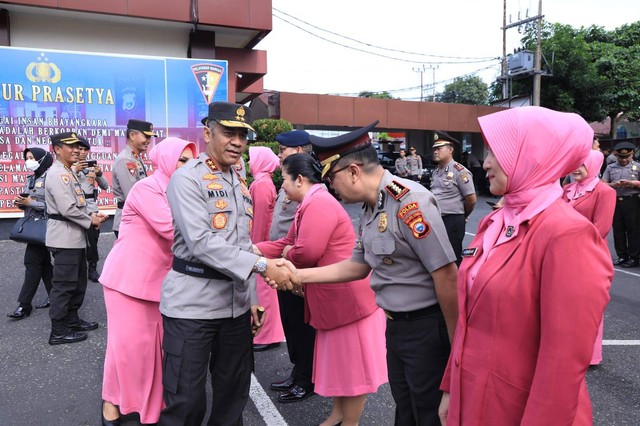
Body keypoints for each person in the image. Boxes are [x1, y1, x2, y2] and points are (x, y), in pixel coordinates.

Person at [269, 121, 459, 425]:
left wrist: (456, 350)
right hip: (396, 327)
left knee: (428, 412)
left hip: (425, 329)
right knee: (405, 409)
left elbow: (447, 275)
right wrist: (297, 276)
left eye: (333, 177)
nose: (331, 185)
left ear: (354, 171)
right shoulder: (372, 207)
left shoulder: (410, 202)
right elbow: (357, 266)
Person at [438, 106, 613, 425]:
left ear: (534, 154)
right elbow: (468, 321)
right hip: (473, 397)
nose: (486, 162)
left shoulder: (568, 234)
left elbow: (562, 365)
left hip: (519, 410)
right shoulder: (495, 220)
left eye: (497, 151)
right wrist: (451, 387)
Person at [158, 102, 291, 426]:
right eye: (228, 132)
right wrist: (262, 267)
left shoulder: (238, 180)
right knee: (185, 402)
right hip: (192, 307)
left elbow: (242, 242)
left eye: (242, 135)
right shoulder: (187, 179)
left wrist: (253, 300)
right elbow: (201, 242)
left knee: (233, 399)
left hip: (234, 308)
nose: (237, 141)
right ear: (208, 133)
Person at [255, 153, 388, 426]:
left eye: (285, 180)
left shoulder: (318, 203)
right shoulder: (309, 202)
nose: (281, 187)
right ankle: (338, 416)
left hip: (348, 303)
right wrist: (254, 251)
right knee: (342, 370)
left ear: (300, 180)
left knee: (352, 372)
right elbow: (288, 243)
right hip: (334, 303)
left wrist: (287, 252)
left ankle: (348, 422)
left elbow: (305, 252)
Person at [100, 137, 196, 426]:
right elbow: (174, 230)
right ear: (167, 159)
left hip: (160, 286)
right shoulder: (147, 188)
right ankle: (111, 402)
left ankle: (149, 408)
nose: (188, 167)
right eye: (182, 160)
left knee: (154, 352)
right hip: (126, 284)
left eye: (193, 161)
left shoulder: (186, 191)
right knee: (125, 349)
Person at [268, 129, 318, 402]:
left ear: (298, 150)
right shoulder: (288, 184)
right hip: (282, 265)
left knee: (302, 326)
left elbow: (305, 242)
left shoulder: (309, 190)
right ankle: (298, 370)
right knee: (291, 323)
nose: (279, 154)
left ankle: (307, 377)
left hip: (296, 269)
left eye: (283, 150)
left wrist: (286, 252)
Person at [45, 132, 107, 345]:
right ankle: (59, 331)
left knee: (78, 282)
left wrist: (91, 215)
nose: (75, 150)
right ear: (57, 149)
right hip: (65, 237)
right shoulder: (59, 174)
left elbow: (77, 204)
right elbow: (68, 208)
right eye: (69, 146)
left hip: (74, 236)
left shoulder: (67, 172)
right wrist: (92, 221)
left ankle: (72, 320)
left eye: (77, 147)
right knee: (64, 285)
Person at [563, 149, 616, 366]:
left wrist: (566, 237)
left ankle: (590, 355)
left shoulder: (604, 192)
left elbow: (600, 229)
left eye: (582, 164)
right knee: (564, 304)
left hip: (589, 256)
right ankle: (567, 349)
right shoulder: (566, 190)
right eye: (575, 163)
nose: (576, 168)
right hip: (564, 254)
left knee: (588, 306)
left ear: (593, 165)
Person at [8, 148, 54, 319]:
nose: (28, 161)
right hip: (33, 228)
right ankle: (55, 297)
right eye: (26, 158)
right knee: (44, 265)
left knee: (31, 262)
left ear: (42, 159)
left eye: (32, 157)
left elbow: (56, 206)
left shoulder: (51, 178)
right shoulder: (30, 179)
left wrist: (32, 203)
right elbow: (28, 201)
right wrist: (22, 203)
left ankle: (24, 305)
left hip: (47, 226)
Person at [248, 146, 285, 351]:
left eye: (253, 158)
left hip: (260, 244)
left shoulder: (261, 184)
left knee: (263, 291)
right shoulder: (264, 181)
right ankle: (268, 334)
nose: (250, 162)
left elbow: (260, 220)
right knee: (265, 291)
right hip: (264, 243)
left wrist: (255, 246)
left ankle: (266, 335)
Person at [430, 132, 477, 265]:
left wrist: (462, 215)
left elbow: (471, 199)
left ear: (450, 150)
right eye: (434, 148)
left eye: (439, 148)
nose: (435, 151)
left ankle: (457, 285)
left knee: (452, 258)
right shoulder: (436, 171)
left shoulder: (460, 171)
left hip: (452, 220)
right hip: (436, 219)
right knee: (438, 257)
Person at [112, 119, 156, 237]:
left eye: (150, 137)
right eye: (146, 136)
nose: (148, 141)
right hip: (129, 221)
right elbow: (133, 196)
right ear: (132, 135)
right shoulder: (125, 160)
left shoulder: (135, 158)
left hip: (136, 219)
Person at [73, 137, 109, 282]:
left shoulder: (91, 168)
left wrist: (99, 174)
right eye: (79, 149)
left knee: (93, 240)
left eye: (85, 150)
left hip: (91, 208)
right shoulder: (68, 168)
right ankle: (76, 269)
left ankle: (92, 269)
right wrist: (75, 170)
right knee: (75, 242)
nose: (82, 152)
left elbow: (105, 186)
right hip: (75, 208)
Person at [602, 141, 640, 268]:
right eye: (621, 157)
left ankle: (635, 257)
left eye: (627, 157)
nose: (624, 160)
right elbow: (602, 183)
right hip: (615, 201)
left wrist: (633, 184)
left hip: (632, 201)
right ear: (617, 155)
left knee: (633, 230)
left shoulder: (638, 167)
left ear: (632, 154)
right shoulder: (611, 167)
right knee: (618, 230)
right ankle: (622, 256)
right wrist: (614, 185)